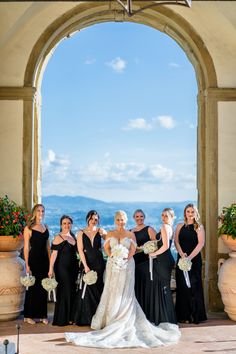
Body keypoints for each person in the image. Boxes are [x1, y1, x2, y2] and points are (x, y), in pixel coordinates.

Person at [65, 210, 180, 348]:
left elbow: (133, 248)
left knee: (126, 292)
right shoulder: (110, 233)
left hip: (127, 266)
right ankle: (111, 319)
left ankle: (125, 317)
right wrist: (112, 256)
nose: (120, 222)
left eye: (122, 220)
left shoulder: (130, 233)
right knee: (112, 290)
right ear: (115, 220)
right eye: (118, 219)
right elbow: (106, 247)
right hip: (113, 265)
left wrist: (127, 257)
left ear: (126, 221)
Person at [174, 203, 207, 324]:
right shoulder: (179, 226)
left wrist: (190, 258)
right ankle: (183, 315)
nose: (190, 214)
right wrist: (182, 255)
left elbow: (201, 243)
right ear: (185, 213)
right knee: (182, 286)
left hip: (194, 260)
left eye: (192, 212)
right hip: (182, 259)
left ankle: (195, 315)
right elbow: (176, 241)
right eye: (188, 211)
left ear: (195, 213)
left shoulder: (199, 227)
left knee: (194, 286)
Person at [73, 210, 106, 326]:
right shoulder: (81, 233)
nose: (93, 221)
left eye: (96, 219)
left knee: (98, 289)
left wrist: (105, 235)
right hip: (87, 263)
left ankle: (98, 319)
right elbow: (81, 251)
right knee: (86, 290)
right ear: (88, 219)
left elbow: (108, 244)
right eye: (91, 218)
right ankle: (86, 318)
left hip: (99, 263)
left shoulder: (100, 231)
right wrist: (86, 266)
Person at [48, 215, 78, 326]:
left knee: (72, 291)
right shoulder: (58, 237)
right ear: (61, 225)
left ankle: (71, 317)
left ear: (71, 224)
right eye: (64, 223)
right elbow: (53, 254)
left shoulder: (73, 237)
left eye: (69, 223)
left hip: (73, 268)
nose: (67, 225)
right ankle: (62, 318)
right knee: (64, 291)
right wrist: (50, 269)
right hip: (62, 268)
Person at [149, 208, 177, 325]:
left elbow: (165, 246)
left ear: (171, 216)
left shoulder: (165, 227)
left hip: (163, 260)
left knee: (163, 288)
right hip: (166, 259)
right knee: (164, 288)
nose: (164, 217)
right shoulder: (170, 227)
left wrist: (153, 254)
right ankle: (167, 317)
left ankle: (165, 318)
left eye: (166, 215)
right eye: (162, 215)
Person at [23, 204, 50, 325]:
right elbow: (26, 248)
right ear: (35, 212)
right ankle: (28, 315)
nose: (41, 213)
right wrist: (27, 265)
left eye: (43, 211)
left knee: (43, 288)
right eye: (39, 210)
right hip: (33, 260)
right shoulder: (28, 228)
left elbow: (48, 247)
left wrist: (51, 265)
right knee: (33, 288)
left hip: (45, 261)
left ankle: (42, 315)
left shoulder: (46, 226)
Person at [131, 209, 157, 319]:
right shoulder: (130, 231)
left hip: (147, 262)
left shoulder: (149, 229)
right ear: (134, 218)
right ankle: (138, 314)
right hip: (135, 262)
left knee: (147, 287)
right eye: (137, 216)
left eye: (141, 216)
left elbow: (156, 243)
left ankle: (148, 313)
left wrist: (143, 248)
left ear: (144, 217)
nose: (139, 218)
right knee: (137, 287)